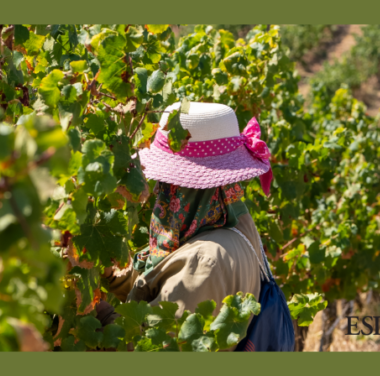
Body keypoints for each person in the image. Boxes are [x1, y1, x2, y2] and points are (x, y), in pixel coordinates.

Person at [96, 102, 294, 351]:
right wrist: (106, 269)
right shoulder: (234, 218)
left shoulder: (202, 263)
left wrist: (98, 314)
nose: (159, 191)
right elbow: (162, 287)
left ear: (186, 190)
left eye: (168, 184)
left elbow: (146, 349)